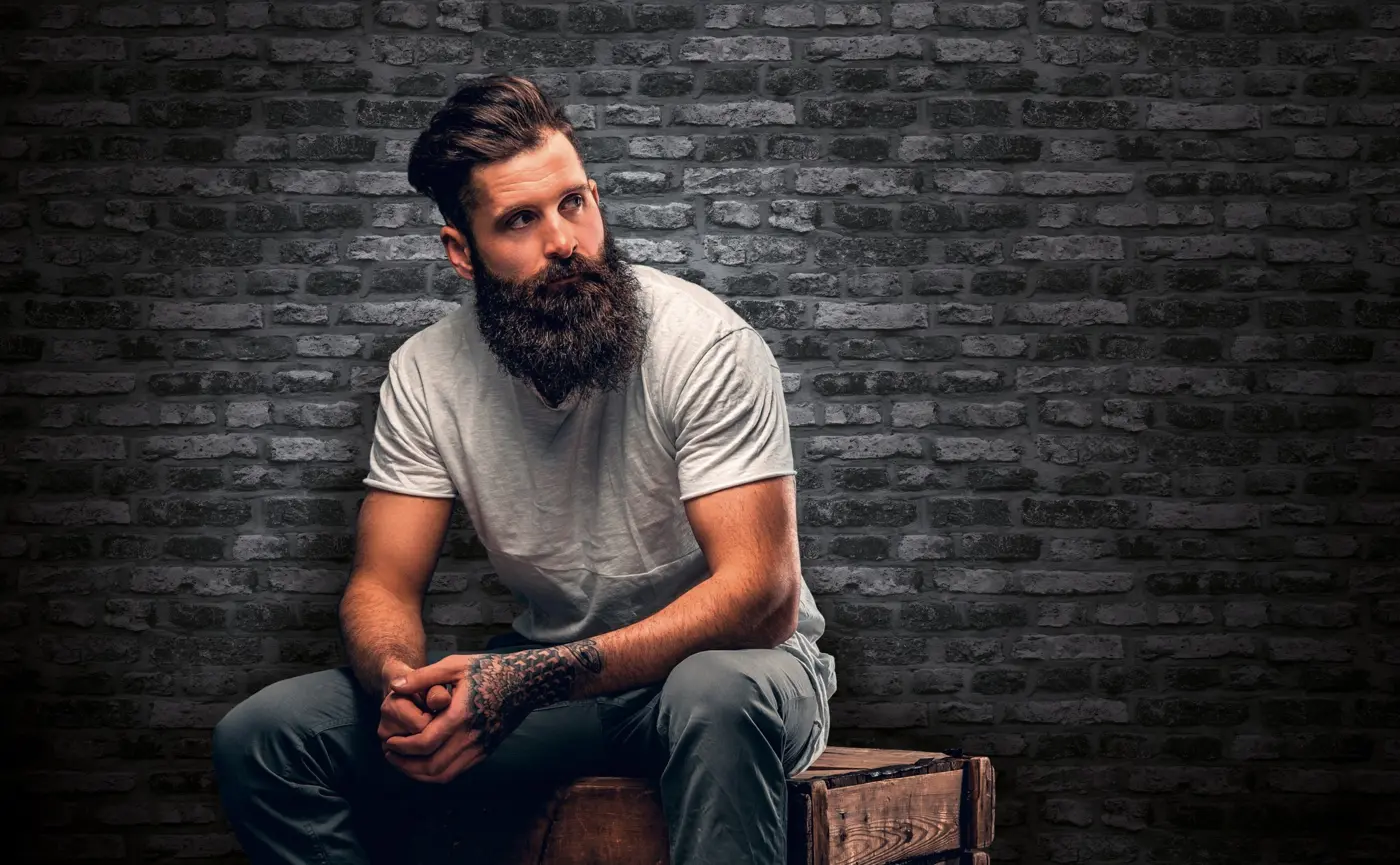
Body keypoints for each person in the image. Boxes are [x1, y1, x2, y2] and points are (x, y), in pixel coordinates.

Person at [211, 74, 837, 865]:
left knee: (713, 690)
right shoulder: (425, 373)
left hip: (739, 679)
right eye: (520, 220)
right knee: (266, 734)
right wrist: (399, 684)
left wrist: (532, 678)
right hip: (558, 688)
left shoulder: (705, 344)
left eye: (574, 203)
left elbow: (762, 598)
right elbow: (382, 584)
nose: (564, 241)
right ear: (461, 252)